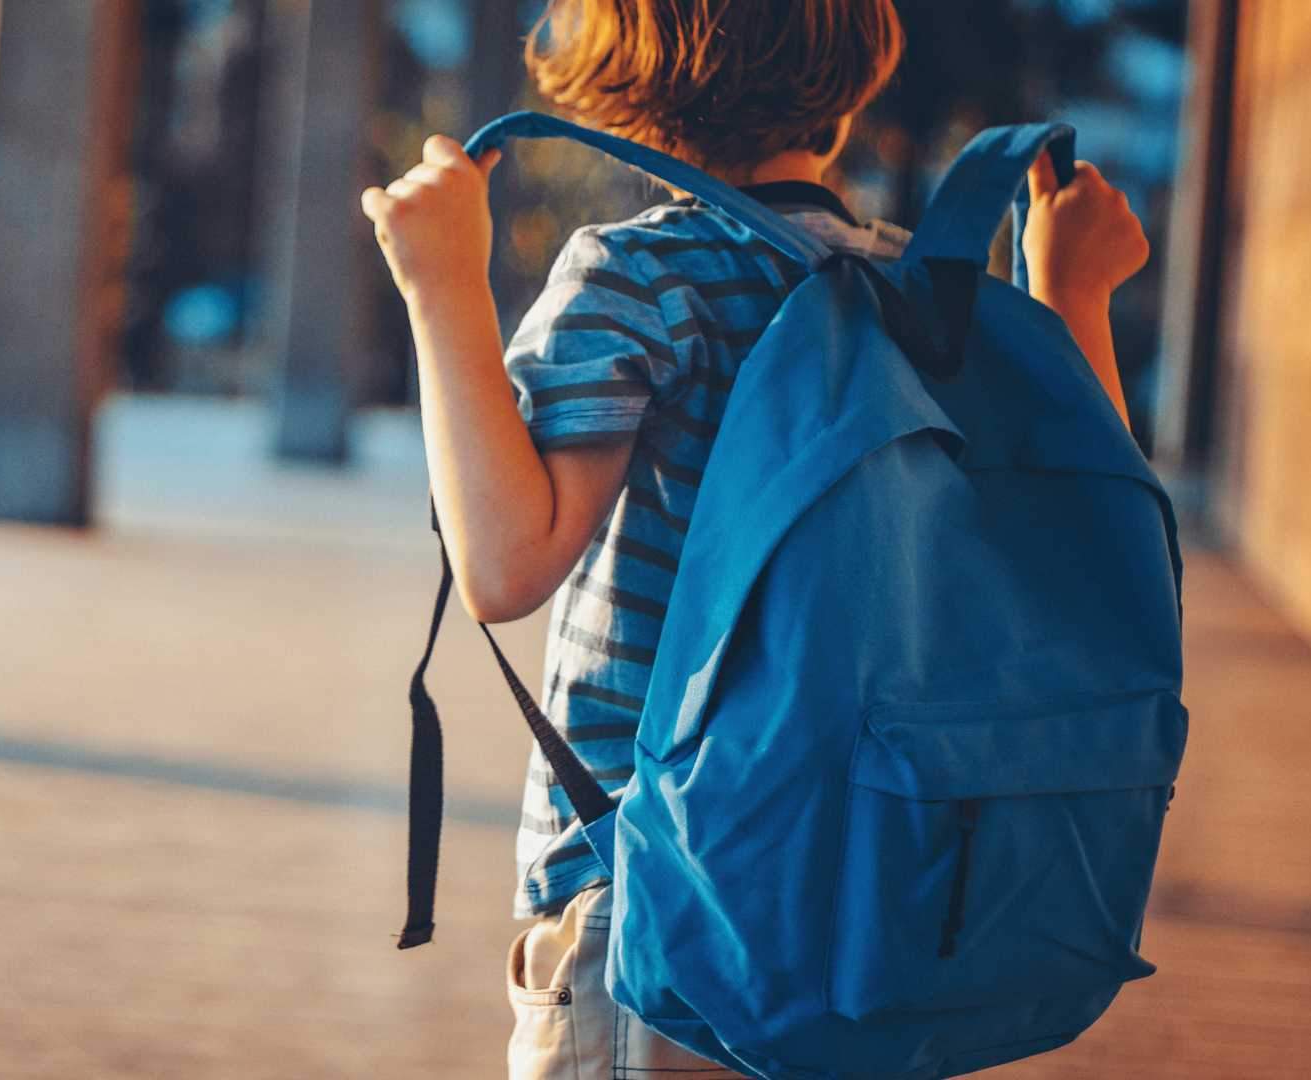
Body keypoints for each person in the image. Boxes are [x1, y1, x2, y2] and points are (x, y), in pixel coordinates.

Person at [359, 0, 1151, 1075]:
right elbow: (1071, 546)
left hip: (661, 902)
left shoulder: (637, 278)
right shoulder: (922, 295)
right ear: (852, 82)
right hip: (882, 890)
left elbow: (504, 566)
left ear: (616, 87)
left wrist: (438, 281)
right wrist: (1071, 298)